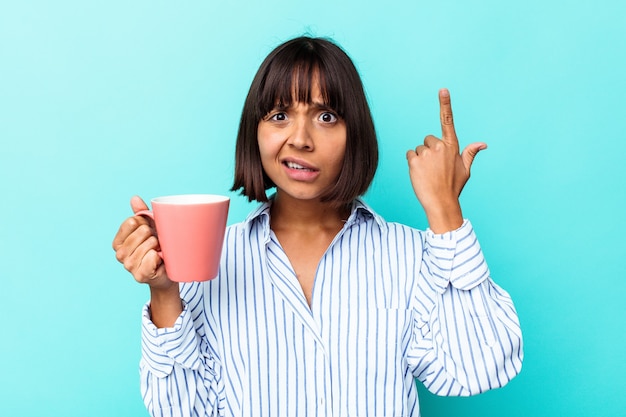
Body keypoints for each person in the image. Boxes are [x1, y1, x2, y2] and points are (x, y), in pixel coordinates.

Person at [113, 36, 523, 417]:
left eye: (326, 116)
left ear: (354, 133)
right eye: (279, 115)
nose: (300, 139)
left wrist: (445, 211)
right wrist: (165, 292)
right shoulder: (212, 260)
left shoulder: (413, 255)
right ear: (254, 132)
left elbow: (478, 370)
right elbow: (185, 412)